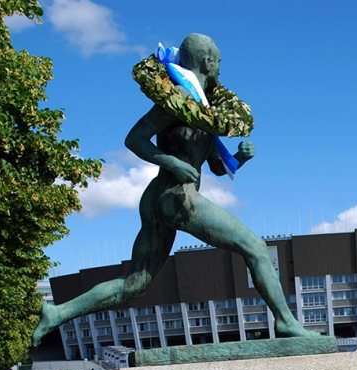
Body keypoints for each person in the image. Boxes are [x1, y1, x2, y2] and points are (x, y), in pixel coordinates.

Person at [32, 33, 314, 346]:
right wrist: (173, 164)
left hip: (159, 199)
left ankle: (57, 313)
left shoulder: (203, 110)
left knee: (134, 284)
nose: (220, 68)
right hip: (178, 197)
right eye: (218, 62)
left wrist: (240, 159)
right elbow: (135, 139)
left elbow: (217, 167)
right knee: (255, 247)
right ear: (208, 62)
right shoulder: (177, 99)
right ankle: (286, 322)